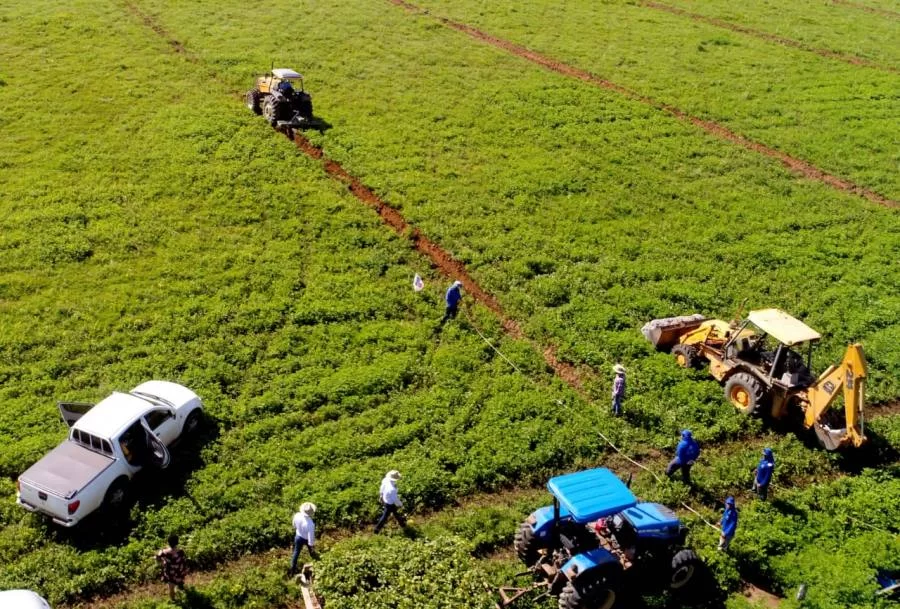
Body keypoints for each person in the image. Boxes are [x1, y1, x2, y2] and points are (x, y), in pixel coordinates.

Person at [156, 534, 187, 600]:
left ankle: (173, 601)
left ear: (168, 542)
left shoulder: (163, 552)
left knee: (171, 588)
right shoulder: (181, 551)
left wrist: (163, 562)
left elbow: (157, 557)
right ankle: (180, 586)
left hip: (170, 572)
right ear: (177, 542)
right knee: (179, 580)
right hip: (179, 570)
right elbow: (183, 560)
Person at [289, 502, 318, 574]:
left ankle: (292, 570)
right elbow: (310, 537)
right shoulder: (310, 524)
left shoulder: (297, 515)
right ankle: (316, 563)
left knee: (296, 552)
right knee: (312, 552)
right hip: (306, 539)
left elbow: (294, 525)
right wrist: (311, 545)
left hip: (298, 536)